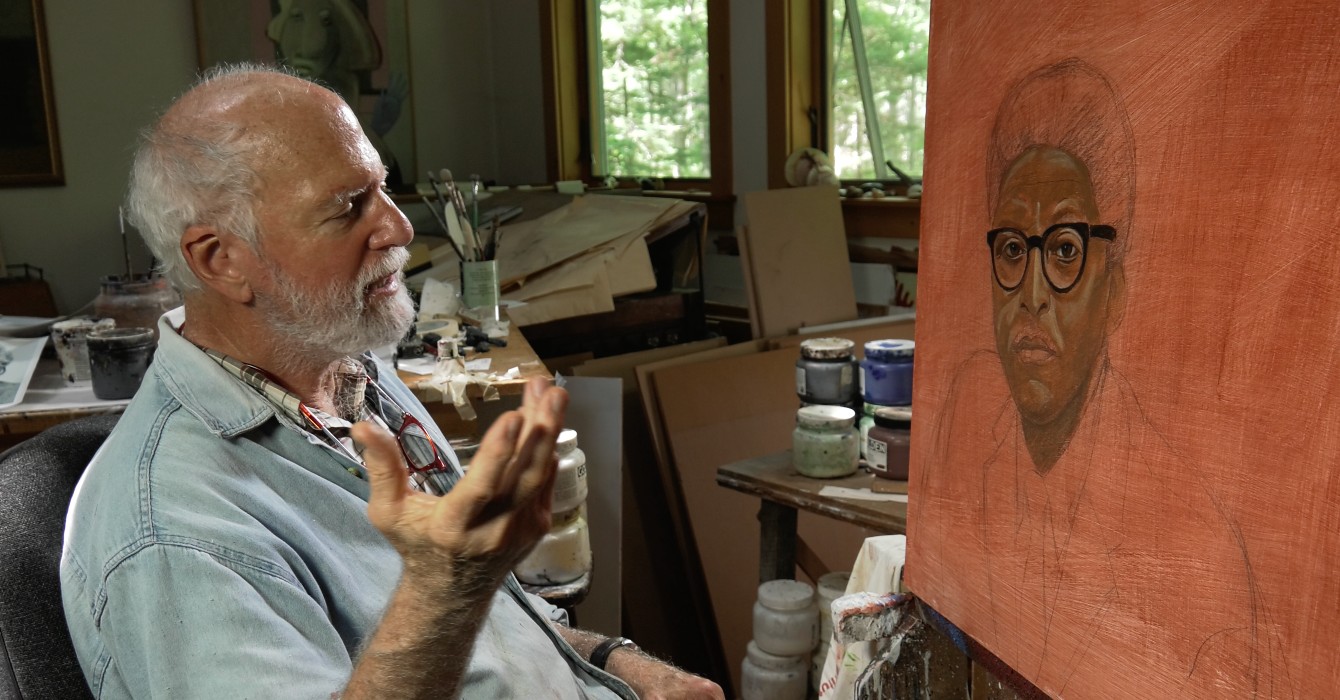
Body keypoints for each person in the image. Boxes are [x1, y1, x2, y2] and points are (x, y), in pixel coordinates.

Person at [60, 63, 723, 699]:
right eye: (349, 206)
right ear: (222, 259)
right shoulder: (174, 532)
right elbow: (449, 610)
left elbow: (494, 633)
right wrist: (447, 584)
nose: (400, 228)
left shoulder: (348, 373)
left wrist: (615, 661)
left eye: (381, 188)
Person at [915, 59, 1285, 697]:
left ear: (1114, 291)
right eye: (1011, 249)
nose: (1031, 293)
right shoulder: (968, 420)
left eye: (1064, 250)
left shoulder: (1199, 557)